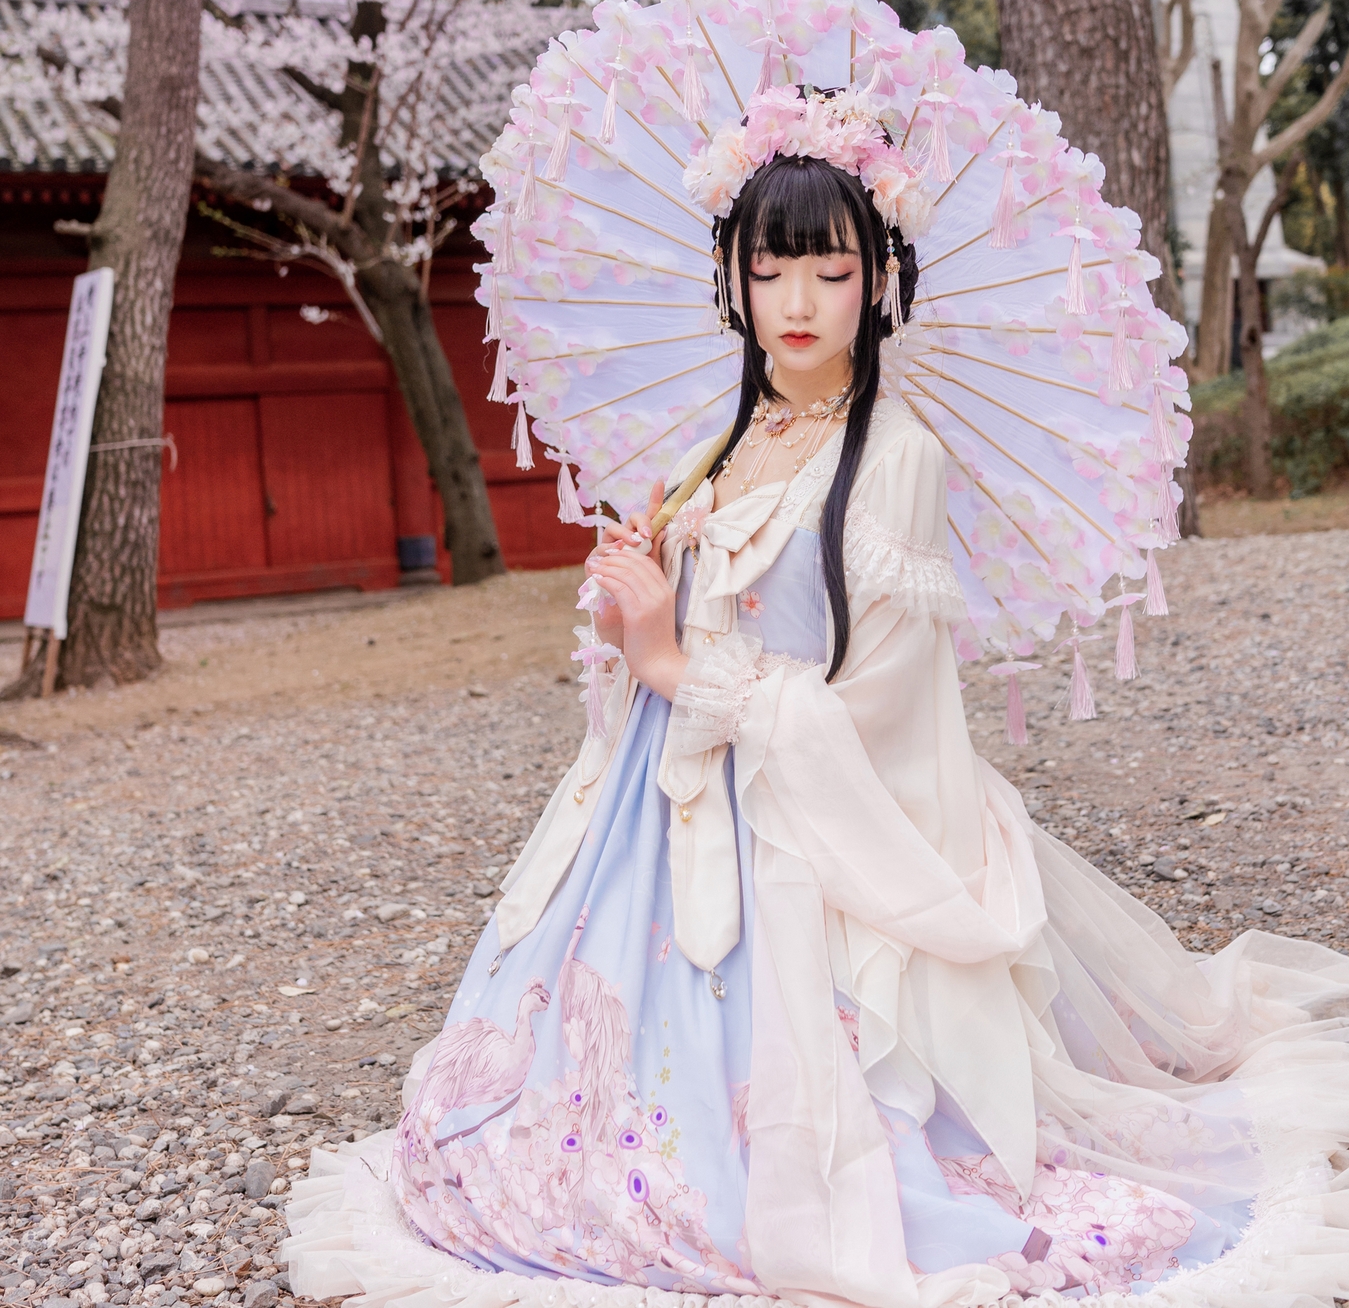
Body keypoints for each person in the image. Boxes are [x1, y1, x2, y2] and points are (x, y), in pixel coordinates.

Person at [285, 145, 1349, 1308]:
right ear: (730, 281)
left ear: (879, 282)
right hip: (662, 810)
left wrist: (670, 655)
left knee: (793, 1153)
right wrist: (642, 594)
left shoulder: (894, 458)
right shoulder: (713, 450)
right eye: (768, 269)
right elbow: (679, 642)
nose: (796, 304)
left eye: (829, 270)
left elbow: (874, 708)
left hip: (798, 836)